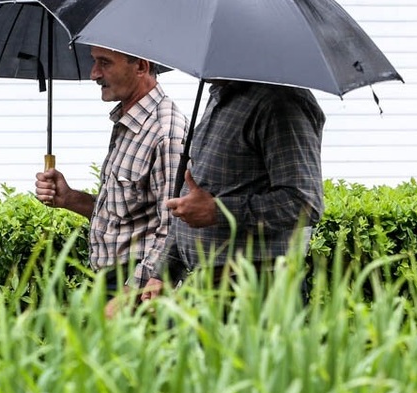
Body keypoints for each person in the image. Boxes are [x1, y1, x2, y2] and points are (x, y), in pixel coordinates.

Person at [34, 46, 187, 315]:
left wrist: (130, 294)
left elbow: (174, 227)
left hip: (141, 293)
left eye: (104, 63)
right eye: (95, 62)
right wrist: (69, 198)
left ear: (141, 66)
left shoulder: (167, 133)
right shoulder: (129, 123)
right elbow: (126, 216)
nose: (94, 74)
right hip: (112, 283)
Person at [139, 80, 326, 301]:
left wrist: (219, 211)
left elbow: (305, 203)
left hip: (260, 292)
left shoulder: (281, 102)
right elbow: (195, 197)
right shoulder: (219, 94)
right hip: (209, 287)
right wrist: (164, 273)